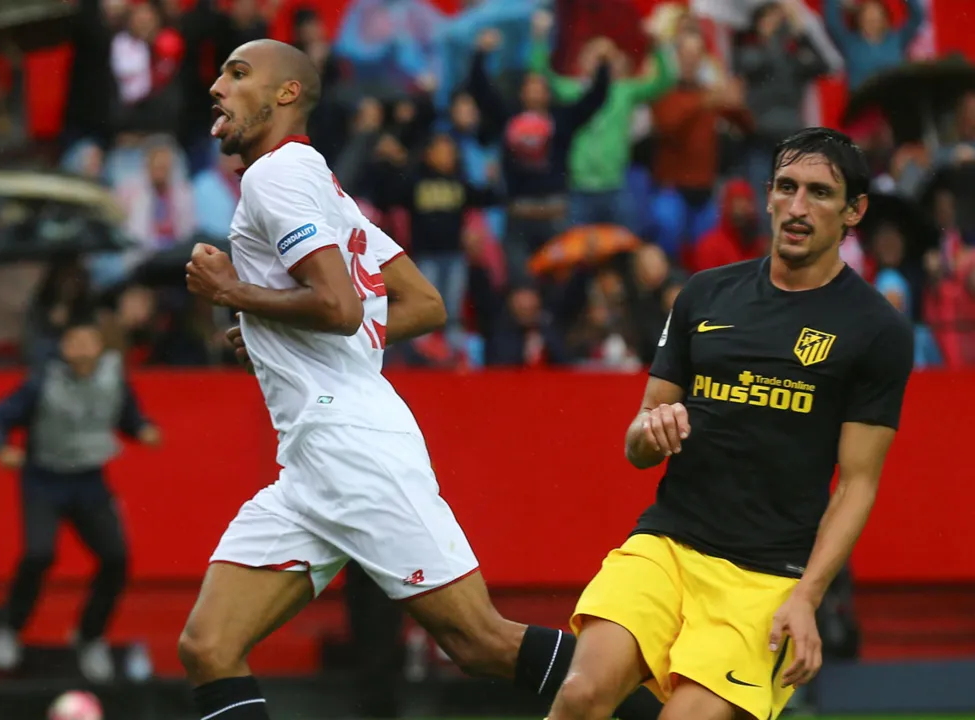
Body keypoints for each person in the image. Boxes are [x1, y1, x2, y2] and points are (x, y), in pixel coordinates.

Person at [179, 39, 662, 720]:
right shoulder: (317, 180)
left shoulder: (274, 178)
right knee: (209, 645)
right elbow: (422, 303)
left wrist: (233, 292)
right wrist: (268, 327)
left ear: (286, 93)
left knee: (480, 642)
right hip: (313, 460)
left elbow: (340, 307)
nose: (217, 87)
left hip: (350, 445)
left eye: (237, 73)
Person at [547, 127, 914, 720]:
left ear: (854, 211)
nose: (798, 207)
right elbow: (638, 442)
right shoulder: (704, 294)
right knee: (581, 694)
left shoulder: (877, 329)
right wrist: (652, 430)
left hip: (767, 578)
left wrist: (808, 597)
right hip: (667, 544)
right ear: (767, 195)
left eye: (820, 192)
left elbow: (857, 483)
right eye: (786, 187)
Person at [0, 316, 161, 683]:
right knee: (38, 554)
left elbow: (126, 416)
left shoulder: (114, 378)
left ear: (100, 347)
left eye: (87, 340)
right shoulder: (42, 381)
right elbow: (0, 416)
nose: (79, 348)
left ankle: (89, 636)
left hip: (89, 481)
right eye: (72, 341)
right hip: (44, 479)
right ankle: (9, 628)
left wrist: (142, 428)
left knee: (115, 558)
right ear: (63, 348)